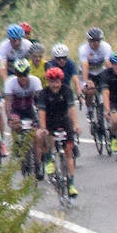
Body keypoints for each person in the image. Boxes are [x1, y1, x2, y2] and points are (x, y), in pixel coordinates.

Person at [36, 67, 80, 198]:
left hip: (64, 121)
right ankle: (49, 159)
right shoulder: (43, 94)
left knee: (69, 153)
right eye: (52, 81)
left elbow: (72, 109)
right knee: (42, 135)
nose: (55, 84)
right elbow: (41, 112)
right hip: (49, 122)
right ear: (48, 81)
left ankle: (71, 184)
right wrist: (43, 128)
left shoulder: (67, 91)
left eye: (57, 81)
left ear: (61, 81)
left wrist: (76, 124)